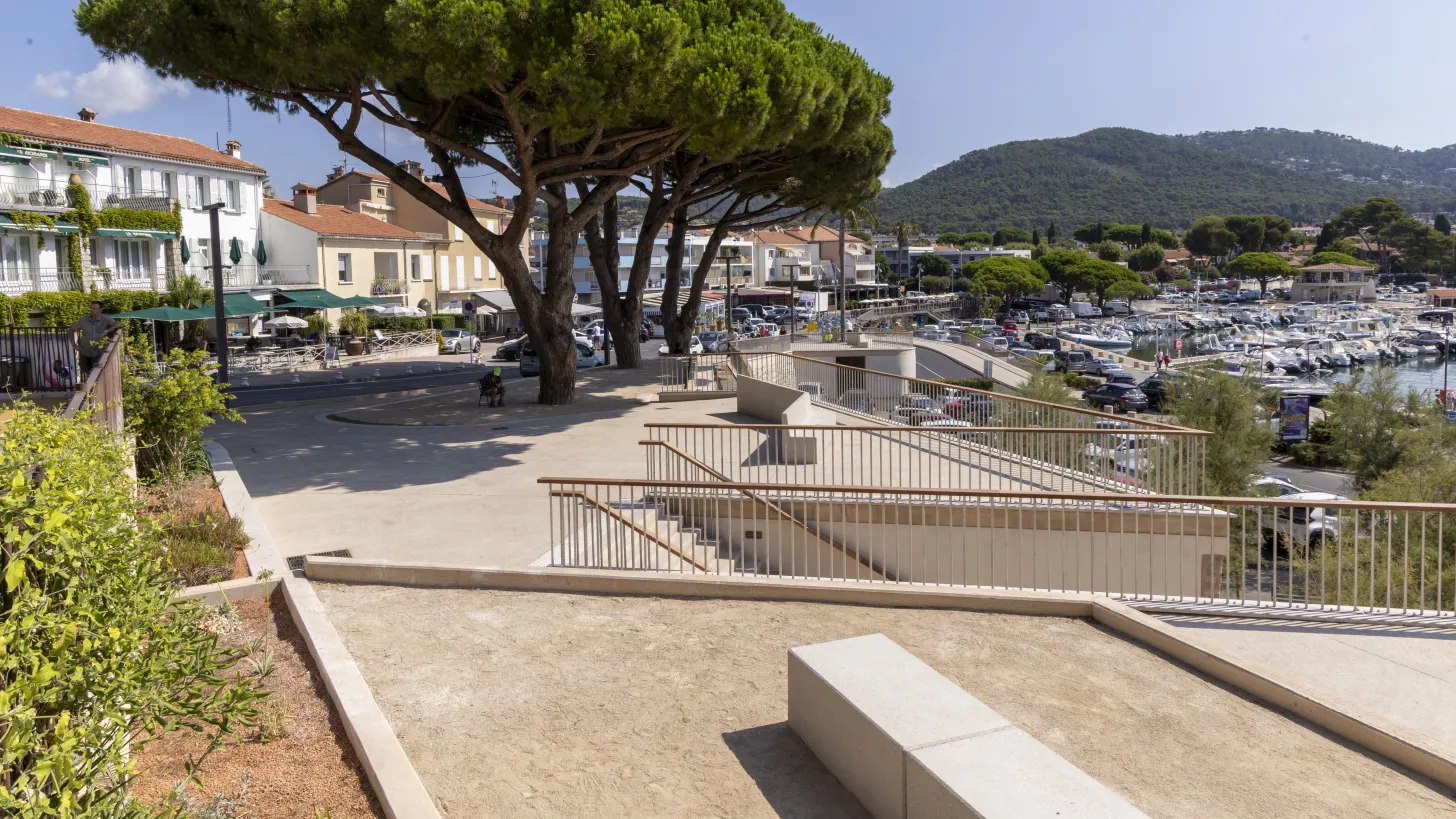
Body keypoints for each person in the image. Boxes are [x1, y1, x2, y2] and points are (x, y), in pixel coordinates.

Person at [69, 300, 120, 382]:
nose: (91, 310)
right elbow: (71, 330)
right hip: (84, 351)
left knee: (97, 374)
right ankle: (90, 390)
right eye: (91, 308)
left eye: (94, 308)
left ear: (100, 310)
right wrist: (74, 344)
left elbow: (118, 324)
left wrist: (107, 331)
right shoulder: (83, 320)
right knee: (87, 372)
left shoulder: (105, 319)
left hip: (98, 351)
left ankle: (94, 390)